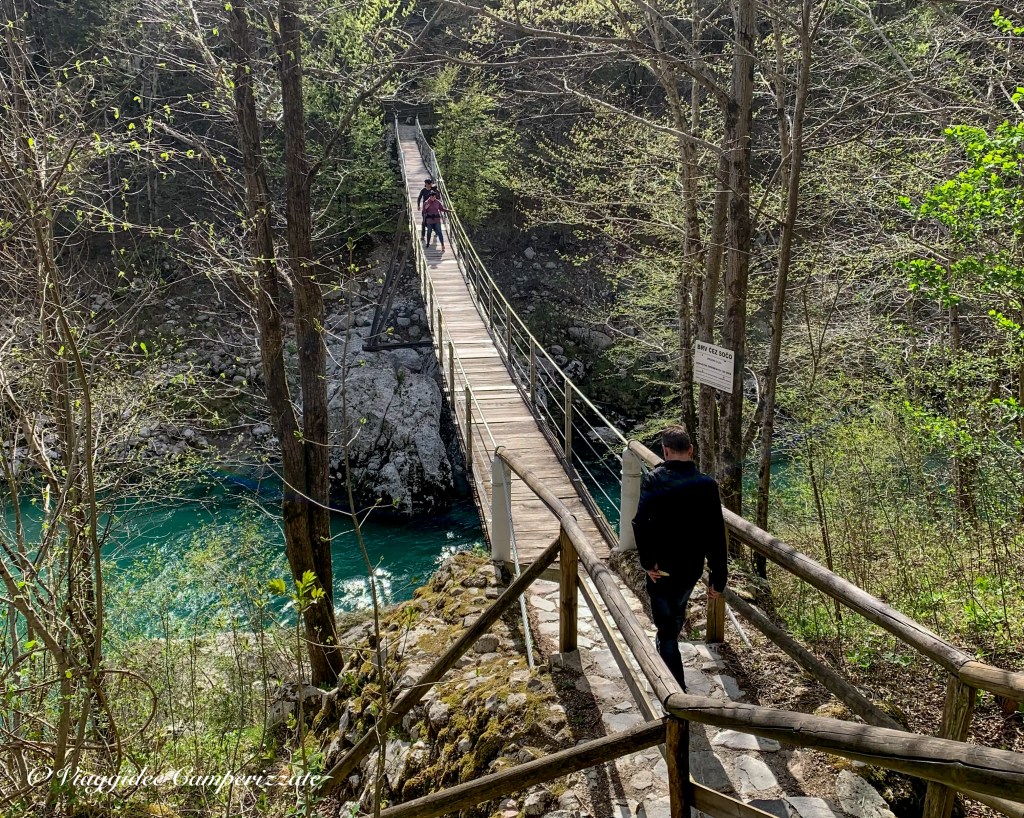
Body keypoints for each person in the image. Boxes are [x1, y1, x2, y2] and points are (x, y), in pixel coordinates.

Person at [631, 425, 728, 688]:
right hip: (691, 568)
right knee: (675, 616)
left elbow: (640, 523)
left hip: (660, 569)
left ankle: (676, 693)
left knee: (666, 631)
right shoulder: (707, 485)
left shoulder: (654, 479)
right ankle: (667, 657)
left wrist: (647, 562)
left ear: (664, 451)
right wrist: (718, 579)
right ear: (691, 450)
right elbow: (716, 534)